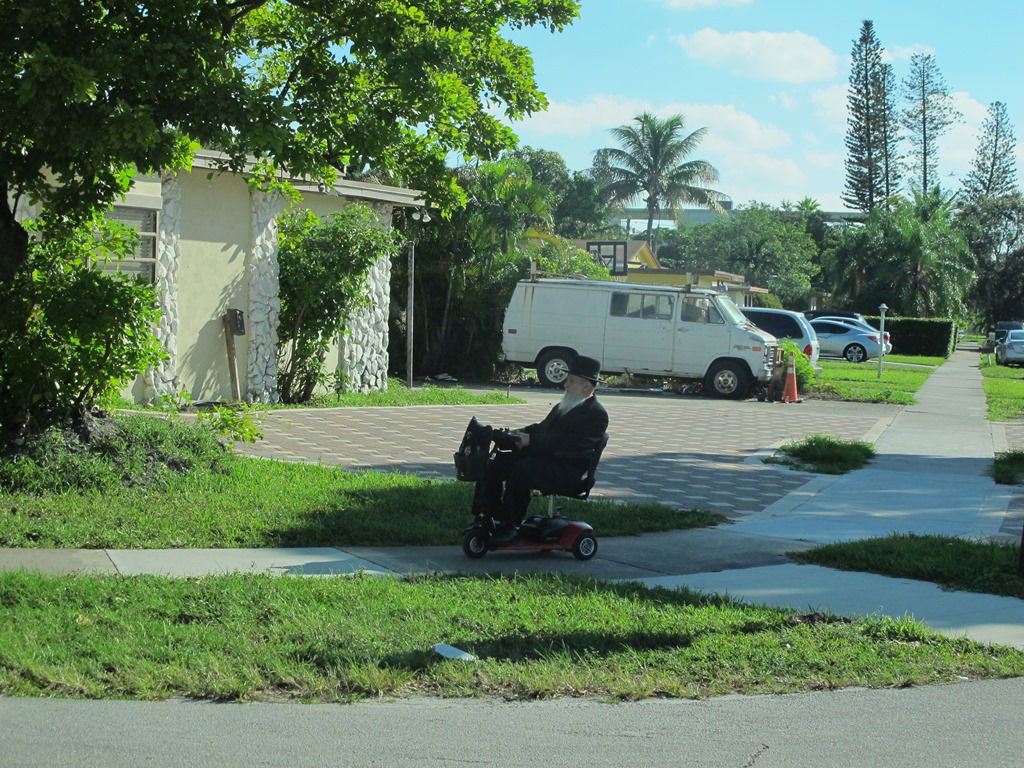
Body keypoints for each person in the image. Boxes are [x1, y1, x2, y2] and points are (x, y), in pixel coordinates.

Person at [472, 355, 609, 542]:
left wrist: (532, 441)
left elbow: (568, 443)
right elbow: (542, 429)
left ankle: (511, 524)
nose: (565, 385)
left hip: (568, 468)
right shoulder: (564, 406)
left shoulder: (597, 415)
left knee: (524, 468)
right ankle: (490, 515)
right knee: (498, 461)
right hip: (549, 459)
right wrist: (517, 434)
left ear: (586, 387)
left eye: (571, 381)